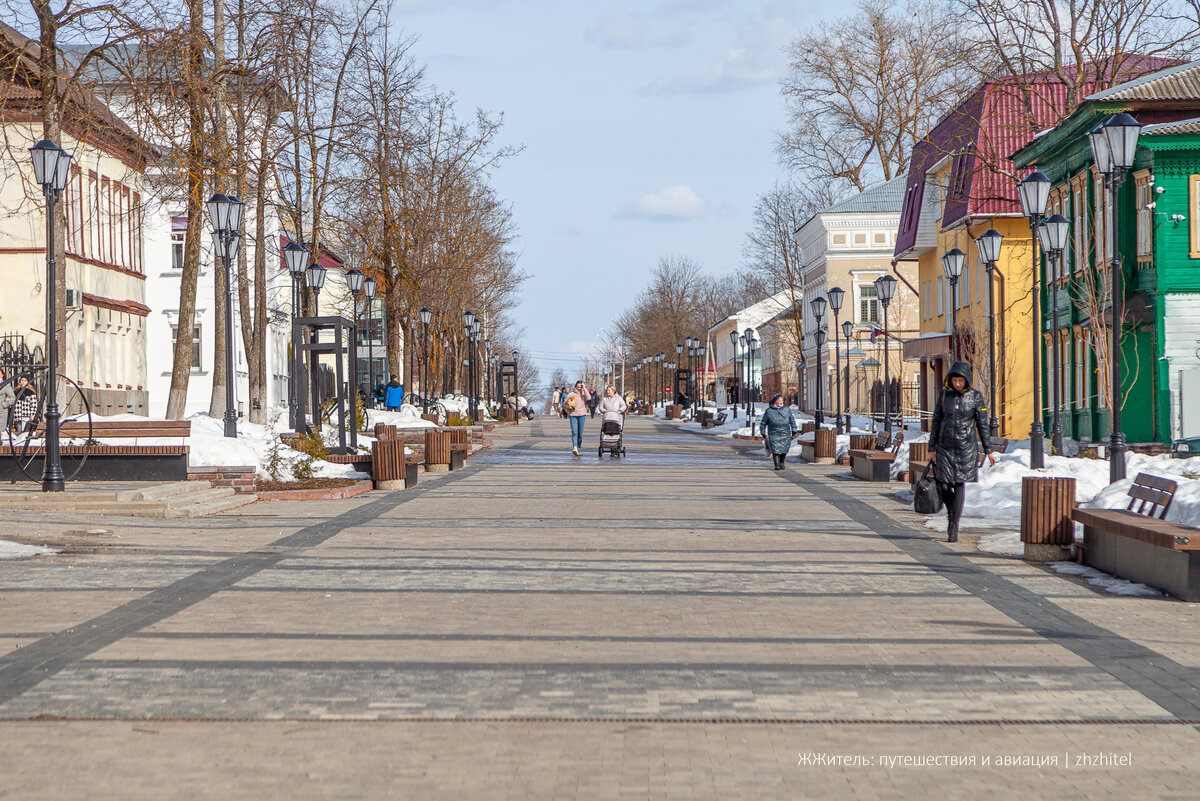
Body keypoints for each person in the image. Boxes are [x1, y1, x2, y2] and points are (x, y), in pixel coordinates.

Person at [928, 361, 996, 543]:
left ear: (967, 381)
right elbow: (936, 421)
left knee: (959, 484)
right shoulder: (944, 396)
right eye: (955, 380)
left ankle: (953, 524)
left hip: (966, 448)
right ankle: (952, 513)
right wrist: (931, 447)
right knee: (942, 483)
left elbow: (982, 424)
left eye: (961, 380)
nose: (958, 383)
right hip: (945, 446)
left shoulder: (975, 397)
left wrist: (988, 450)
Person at [758, 393, 797, 470]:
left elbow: (792, 420)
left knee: (785, 448)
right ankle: (777, 464)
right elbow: (763, 423)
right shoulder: (769, 411)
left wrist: (794, 429)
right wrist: (762, 431)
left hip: (785, 432)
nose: (781, 402)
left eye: (782, 400)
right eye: (779, 400)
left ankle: (782, 461)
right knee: (775, 449)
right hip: (774, 433)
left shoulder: (787, 410)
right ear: (775, 401)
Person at [562, 380, 591, 456]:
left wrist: (584, 388)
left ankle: (578, 447)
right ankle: (574, 447)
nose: (579, 388)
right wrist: (569, 406)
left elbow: (589, 398)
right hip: (573, 415)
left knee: (580, 434)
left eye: (580, 387)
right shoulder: (571, 394)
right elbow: (564, 404)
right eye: (578, 386)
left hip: (582, 415)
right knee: (574, 432)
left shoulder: (583, 394)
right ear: (575, 386)